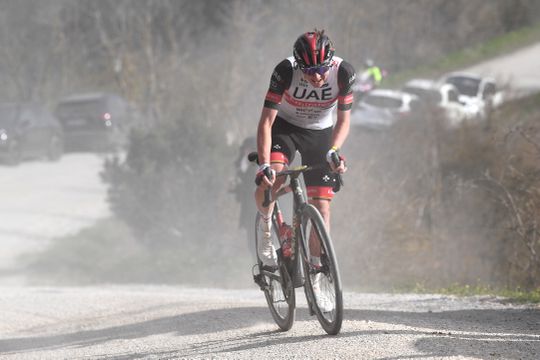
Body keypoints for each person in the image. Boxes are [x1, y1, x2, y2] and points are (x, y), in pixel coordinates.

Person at [253, 30, 355, 311]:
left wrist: (333, 150)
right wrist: (264, 165)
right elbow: (265, 122)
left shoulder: (344, 72)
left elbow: (343, 120)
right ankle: (266, 230)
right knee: (272, 179)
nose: (318, 77)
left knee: (322, 207)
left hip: (320, 133)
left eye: (322, 69)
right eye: (310, 71)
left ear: (330, 63)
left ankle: (318, 272)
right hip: (284, 129)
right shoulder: (285, 71)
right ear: (299, 65)